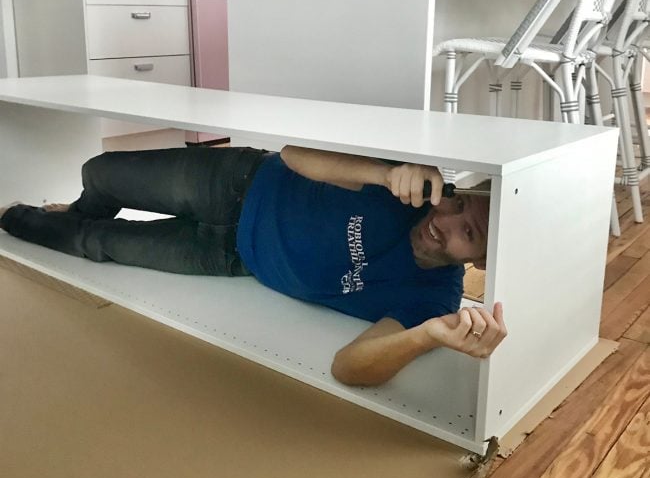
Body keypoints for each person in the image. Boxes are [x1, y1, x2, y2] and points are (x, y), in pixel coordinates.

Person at [0, 145, 507, 386]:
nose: (448, 219)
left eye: (469, 232)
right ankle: (78, 204)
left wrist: (428, 336)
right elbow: (293, 155)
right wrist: (386, 171)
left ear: (479, 260)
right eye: (460, 203)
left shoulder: (431, 299)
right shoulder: (413, 187)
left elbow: (347, 368)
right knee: (102, 173)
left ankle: (11, 217)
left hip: (230, 257)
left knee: (98, 245)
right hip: (236, 182)